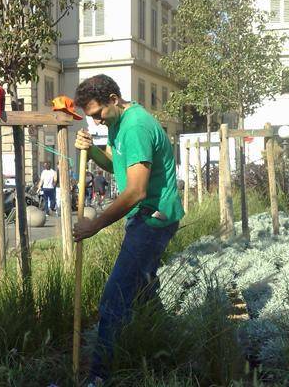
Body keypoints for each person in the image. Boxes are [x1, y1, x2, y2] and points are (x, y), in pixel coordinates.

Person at [71, 74, 184, 384]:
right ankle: (169, 354)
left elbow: (135, 191)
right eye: (89, 118)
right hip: (145, 216)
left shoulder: (135, 126)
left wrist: (94, 225)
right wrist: (91, 149)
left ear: (113, 99)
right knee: (143, 294)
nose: (94, 122)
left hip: (152, 219)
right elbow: (117, 164)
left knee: (114, 298)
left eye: (97, 114)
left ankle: (98, 377)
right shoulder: (118, 123)